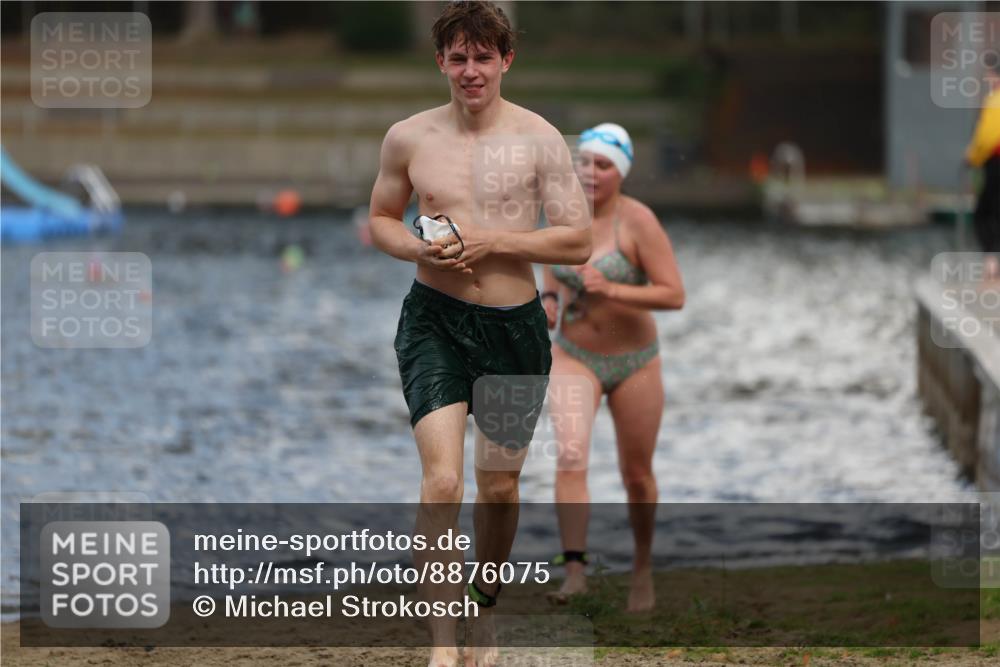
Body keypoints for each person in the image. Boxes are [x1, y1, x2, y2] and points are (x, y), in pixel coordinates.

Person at [367, 2, 591, 666]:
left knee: (497, 485)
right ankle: (442, 646)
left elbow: (576, 239)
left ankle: (484, 611)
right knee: (442, 482)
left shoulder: (539, 138)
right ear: (441, 61)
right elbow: (380, 217)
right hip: (432, 322)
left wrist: (497, 239)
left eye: (483, 57)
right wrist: (416, 249)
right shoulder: (408, 137)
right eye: (458, 58)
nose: (471, 71)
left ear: (505, 60)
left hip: (514, 329)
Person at [541, 122, 685, 612]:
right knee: (570, 456)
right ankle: (576, 573)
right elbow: (551, 266)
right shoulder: (559, 213)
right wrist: (549, 299)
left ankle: (641, 569)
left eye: (602, 165)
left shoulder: (638, 221)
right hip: (573, 355)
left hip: (635, 362)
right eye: (584, 162)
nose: (590, 173)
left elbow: (674, 294)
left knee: (637, 475)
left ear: (620, 172)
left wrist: (612, 289)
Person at [965, 65, 1000, 280]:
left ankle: (991, 260)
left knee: (984, 213)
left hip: (996, 164)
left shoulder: (995, 100)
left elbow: (986, 138)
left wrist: (972, 157)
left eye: (989, 78)